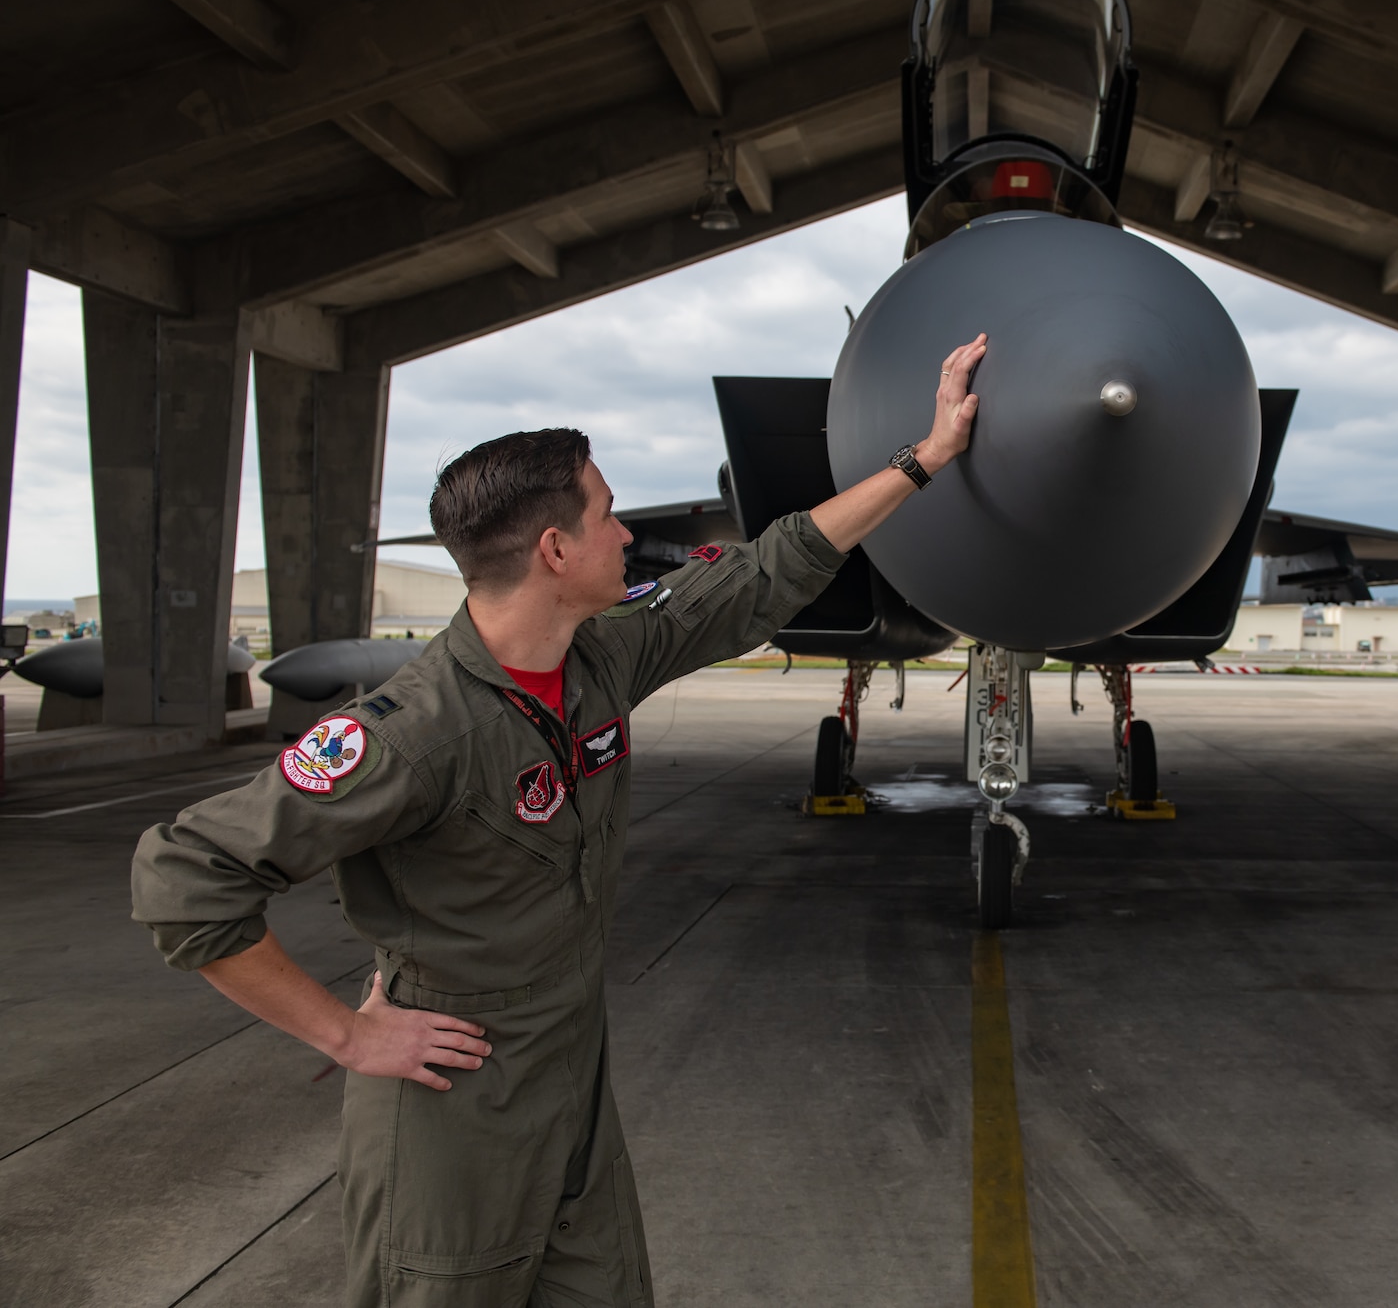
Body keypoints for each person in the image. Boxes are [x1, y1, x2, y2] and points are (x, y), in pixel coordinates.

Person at [130, 334, 988, 1307]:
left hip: (573, 1081)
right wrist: (346, 1036)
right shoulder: (412, 733)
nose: (626, 535)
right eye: (609, 515)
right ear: (554, 550)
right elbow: (183, 876)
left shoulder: (601, 659)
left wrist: (926, 455)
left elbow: (762, 575)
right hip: (454, 1108)